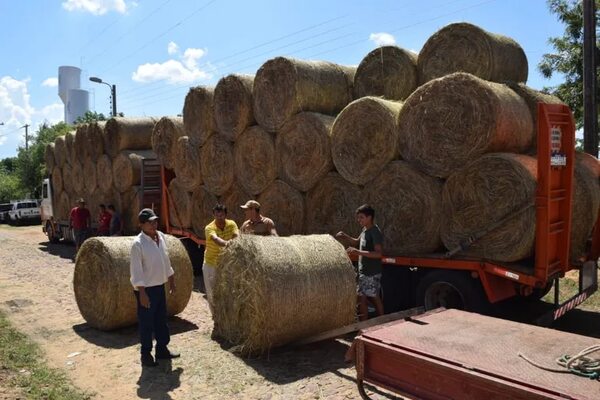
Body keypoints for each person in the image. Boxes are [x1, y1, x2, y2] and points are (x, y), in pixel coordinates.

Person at [130, 208, 179, 367]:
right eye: (150, 222)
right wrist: (142, 293)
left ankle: (162, 349)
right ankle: (145, 355)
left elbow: (166, 259)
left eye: (155, 221)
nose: (153, 224)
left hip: (159, 287)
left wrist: (171, 279)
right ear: (141, 224)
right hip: (146, 290)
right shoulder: (138, 244)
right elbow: (136, 270)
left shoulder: (161, 237)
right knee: (146, 323)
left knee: (161, 320)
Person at [336, 204, 384, 321]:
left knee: (371, 298)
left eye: (361, 217)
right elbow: (357, 242)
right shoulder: (365, 230)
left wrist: (358, 252)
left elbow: (378, 254)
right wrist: (345, 236)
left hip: (371, 272)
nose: (359, 220)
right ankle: (366, 323)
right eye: (358, 217)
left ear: (369, 217)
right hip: (364, 271)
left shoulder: (374, 232)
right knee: (365, 298)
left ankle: (379, 321)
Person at [203, 204, 238, 312]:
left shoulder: (231, 224)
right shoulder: (209, 228)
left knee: (228, 290)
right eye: (217, 215)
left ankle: (228, 314)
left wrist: (233, 241)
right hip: (211, 263)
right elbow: (216, 239)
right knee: (212, 292)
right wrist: (228, 244)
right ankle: (216, 316)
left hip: (227, 263)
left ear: (225, 215)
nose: (219, 217)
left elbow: (236, 235)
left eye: (221, 215)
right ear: (214, 215)